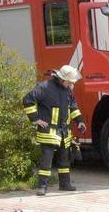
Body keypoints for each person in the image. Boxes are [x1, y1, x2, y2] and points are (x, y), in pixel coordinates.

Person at [23, 65, 86, 196]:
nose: (71, 85)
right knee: (46, 160)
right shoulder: (44, 87)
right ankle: (42, 187)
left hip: (64, 132)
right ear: (62, 79)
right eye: (70, 82)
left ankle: (65, 184)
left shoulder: (67, 89)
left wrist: (79, 121)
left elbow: (73, 107)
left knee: (64, 160)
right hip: (48, 132)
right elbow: (28, 100)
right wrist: (35, 119)